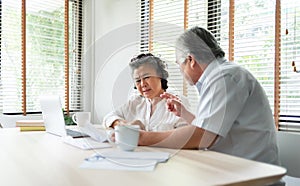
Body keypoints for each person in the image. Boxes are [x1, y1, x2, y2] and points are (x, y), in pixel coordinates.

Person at [138, 26, 280, 166]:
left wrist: (143, 137)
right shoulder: (220, 76)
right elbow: (211, 129)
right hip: (235, 167)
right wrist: (184, 114)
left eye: (179, 64)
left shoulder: (225, 77)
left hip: (252, 175)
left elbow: (203, 137)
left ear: (191, 60)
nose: (180, 70)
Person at [102, 53, 189, 131]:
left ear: (160, 76)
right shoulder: (135, 102)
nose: (143, 84)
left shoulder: (178, 103)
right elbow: (108, 118)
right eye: (138, 80)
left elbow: (187, 137)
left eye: (147, 77)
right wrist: (125, 125)